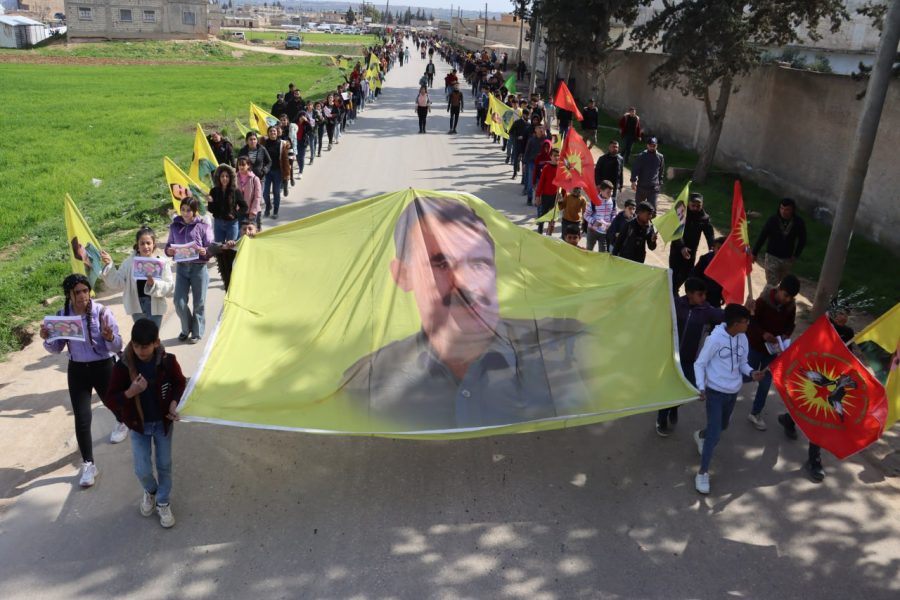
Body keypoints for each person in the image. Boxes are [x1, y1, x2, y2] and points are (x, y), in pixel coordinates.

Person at [339, 196, 592, 431]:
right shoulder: (367, 384)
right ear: (403, 275)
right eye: (441, 264)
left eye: (478, 264)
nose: (463, 283)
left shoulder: (564, 352)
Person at [40, 273, 125, 487]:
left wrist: (109, 337)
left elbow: (118, 346)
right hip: (77, 370)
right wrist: (47, 338)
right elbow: (56, 348)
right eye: (77, 292)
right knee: (82, 417)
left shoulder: (102, 312)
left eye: (85, 290)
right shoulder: (63, 317)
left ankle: (122, 422)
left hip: (103, 366)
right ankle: (88, 464)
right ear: (69, 295)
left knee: (111, 402)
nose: (82, 296)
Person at [103, 318, 185, 529]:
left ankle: (163, 501)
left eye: (145, 346)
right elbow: (110, 399)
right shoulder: (123, 367)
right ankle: (151, 491)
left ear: (156, 342)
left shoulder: (167, 361)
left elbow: (179, 383)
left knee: (164, 464)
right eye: (137, 346)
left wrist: (174, 403)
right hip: (138, 426)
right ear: (132, 343)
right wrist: (130, 392)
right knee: (142, 469)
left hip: (163, 424)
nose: (140, 351)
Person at [692, 304, 765, 494]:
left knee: (722, 426)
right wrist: (700, 386)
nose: (748, 324)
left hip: (732, 393)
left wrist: (751, 372)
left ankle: (701, 435)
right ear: (735, 324)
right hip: (715, 392)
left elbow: (743, 363)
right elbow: (700, 364)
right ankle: (702, 473)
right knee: (715, 434)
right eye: (746, 321)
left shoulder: (743, 338)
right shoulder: (714, 339)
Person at [657, 278, 724, 436]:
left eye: (705, 294)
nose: (704, 298)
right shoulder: (676, 304)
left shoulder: (706, 311)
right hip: (671, 357)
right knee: (668, 389)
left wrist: (746, 309)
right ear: (689, 294)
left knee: (689, 388)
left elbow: (725, 316)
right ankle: (661, 420)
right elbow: (657, 305)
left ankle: (674, 406)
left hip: (689, 360)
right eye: (700, 294)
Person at [746, 274, 800, 430]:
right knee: (747, 375)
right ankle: (726, 392)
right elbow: (751, 323)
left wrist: (786, 335)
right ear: (779, 289)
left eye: (791, 298)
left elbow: (790, 325)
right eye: (786, 295)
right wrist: (763, 334)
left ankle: (755, 413)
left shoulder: (790, 307)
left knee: (765, 383)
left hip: (772, 352)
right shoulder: (763, 301)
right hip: (756, 347)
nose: (787, 300)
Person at [99, 226, 174, 329]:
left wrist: (154, 284)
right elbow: (117, 282)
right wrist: (110, 265)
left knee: (153, 335)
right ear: (137, 245)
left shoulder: (162, 262)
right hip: (137, 306)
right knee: (141, 335)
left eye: (148, 243)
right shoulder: (129, 263)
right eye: (142, 243)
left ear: (154, 244)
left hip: (155, 305)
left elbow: (169, 285)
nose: (145, 246)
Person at [165, 198, 212, 344]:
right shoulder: (174, 226)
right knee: (178, 302)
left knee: (199, 302)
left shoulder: (203, 226)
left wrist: (205, 251)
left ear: (195, 211)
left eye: (188, 210)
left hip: (199, 268)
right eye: (183, 210)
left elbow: (210, 247)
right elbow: (168, 245)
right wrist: (169, 251)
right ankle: (186, 329)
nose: (185, 213)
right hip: (181, 269)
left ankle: (197, 332)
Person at [751, 198, 807, 289]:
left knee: (781, 284)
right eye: (781, 208)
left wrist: (796, 255)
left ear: (792, 210)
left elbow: (802, 240)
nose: (783, 211)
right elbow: (763, 236)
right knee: (771, 284)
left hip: (787, 259)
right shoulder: (773, 220)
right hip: (772, 257)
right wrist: (754, 253)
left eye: (787, 209)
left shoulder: (798, 223)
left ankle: (775, 297)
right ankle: (765, 297)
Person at [668, 192, 715, 294]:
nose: (695, 208)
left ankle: (673, 290)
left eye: (698, 206)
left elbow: (709, 234)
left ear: (702, 205)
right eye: (693, 205)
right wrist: (682, 247)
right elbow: (675, 231)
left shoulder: (704, 218)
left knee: (686, 274)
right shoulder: (681, 213)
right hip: (677, 248)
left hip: (691, 251)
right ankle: (673, 292)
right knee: (674, 273)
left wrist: (712, 248)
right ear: (688, 203)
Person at [207, 164, 247, 244]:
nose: (224, 178)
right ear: (218, 178)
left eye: (227, 176)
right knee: (219, 246)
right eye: (222, 176)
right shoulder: (214, 191)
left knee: (231, 247)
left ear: (230, 178)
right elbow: (211, 210)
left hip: (232, 224)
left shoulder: (235, 191)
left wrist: (235, 214)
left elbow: (244, 207)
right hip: (218, 223)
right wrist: (210, 202)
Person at [261, 125, 289, 219]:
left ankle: (275, 211)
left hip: (278, 172)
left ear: (277, 133)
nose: (273, 133)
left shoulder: (282, 144)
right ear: (268, 133)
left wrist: (287, 174)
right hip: (267, 172)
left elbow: (285, 160)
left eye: (274, 131)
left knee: (276, 192)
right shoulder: (264, 143)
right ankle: (268, 206)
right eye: (271, 131)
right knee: (265, 193)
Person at [629, 137, 665, 210]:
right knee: (638, 209)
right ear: (647, 145)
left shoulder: (660, 157)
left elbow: (661, 171)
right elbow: (635, 169)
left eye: (654, 145)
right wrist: (633, 181)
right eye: (650, 145)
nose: (652, 147)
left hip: (653, 188)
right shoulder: (641, 156)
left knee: (652, 210)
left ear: (657, 146)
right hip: (641, 187)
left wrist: (660, 183)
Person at [691, 236, 726, 307]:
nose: (720, 251)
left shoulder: (728, 263)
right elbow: (694, 275)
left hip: (715, 298)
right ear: (714, 248)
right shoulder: (705, 259)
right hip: (701, 294)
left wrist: (723, 295)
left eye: (723, 249)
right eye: (719, 248)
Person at [534, 148, 560, 235]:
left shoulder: (560, 169)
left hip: (555, 197)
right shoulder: (546, 168)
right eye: (555, 155)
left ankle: (549, 235)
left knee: (552, 219)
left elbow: (563, 183)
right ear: (551, 156)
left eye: (558, 156)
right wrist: (537, 196)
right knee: (543, 216)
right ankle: (539, 233)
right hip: (545, 196)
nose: (557, 157)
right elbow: (541, 183)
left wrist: (563, 195)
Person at [585, 181, 616, 252]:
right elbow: (586, 215)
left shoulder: (613, 202)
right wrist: (594, 222)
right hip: (592, 231)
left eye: (612, 191)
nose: (611, 194)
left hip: (604, 232)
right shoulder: (594, 201)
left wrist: (611, 223)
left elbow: (614, 214)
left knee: (602, 253)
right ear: (601, 191)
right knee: (589, 250)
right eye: (608, 192)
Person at [236, 155, 262, 231]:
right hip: (239, 211)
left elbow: (257, 197)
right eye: (239, 165)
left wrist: (253, 212)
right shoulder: (234, 178)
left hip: (252, 212)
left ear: (248, 165)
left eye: (243, 165)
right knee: (240, 233)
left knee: (252, 233)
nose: (241, 167)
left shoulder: (255, 179)